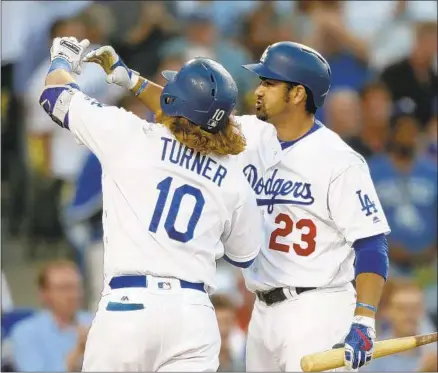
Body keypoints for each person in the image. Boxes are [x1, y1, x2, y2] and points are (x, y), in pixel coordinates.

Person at [85, 41, 391, 371]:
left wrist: (364, 319)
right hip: (262, 309)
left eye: (270, 84)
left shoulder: (340, 162)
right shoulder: (250, 134)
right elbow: (188, 112)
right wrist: (131, 80)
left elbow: (372, 244)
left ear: (298, 94)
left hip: (319, 305)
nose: (259, 90)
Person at [39, 36, 262, 372]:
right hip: (194, 315)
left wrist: (61, 61)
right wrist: (131, 79)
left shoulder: (129, 134)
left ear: (172, 101)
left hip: (129, 308)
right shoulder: (234, 177)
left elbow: (53, 94)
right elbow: (244, 254)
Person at [9, 260, 92, 371]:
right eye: (64, 288)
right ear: (44, 294)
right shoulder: (25, 333)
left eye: (76, 287)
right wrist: (78, 351)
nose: (73, 294)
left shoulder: (95, 322)